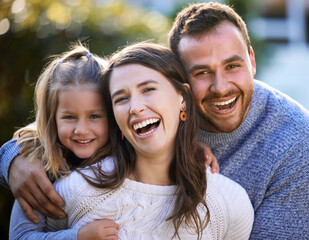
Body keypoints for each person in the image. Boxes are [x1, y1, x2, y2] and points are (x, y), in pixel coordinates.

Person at [11, 42, 254, 239]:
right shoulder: (69, 188)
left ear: (183, 98)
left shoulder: (229, 204)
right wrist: (12, 157)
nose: (136, 108)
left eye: (148, 89)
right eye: (121, 99)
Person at [168, 2, 309, 239]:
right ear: (179, 81)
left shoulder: (297, 144)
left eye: (232, 66)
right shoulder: (156, 121)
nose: (221, 87)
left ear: (252, 62)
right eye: (202, 72)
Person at [8, 44, 121, 239]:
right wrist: (77, 236)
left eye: (94, 116)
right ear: (52, 119)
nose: (81, 130)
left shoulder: (127, 152)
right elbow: (20, 236)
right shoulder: (39, 167)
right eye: (69, 117)